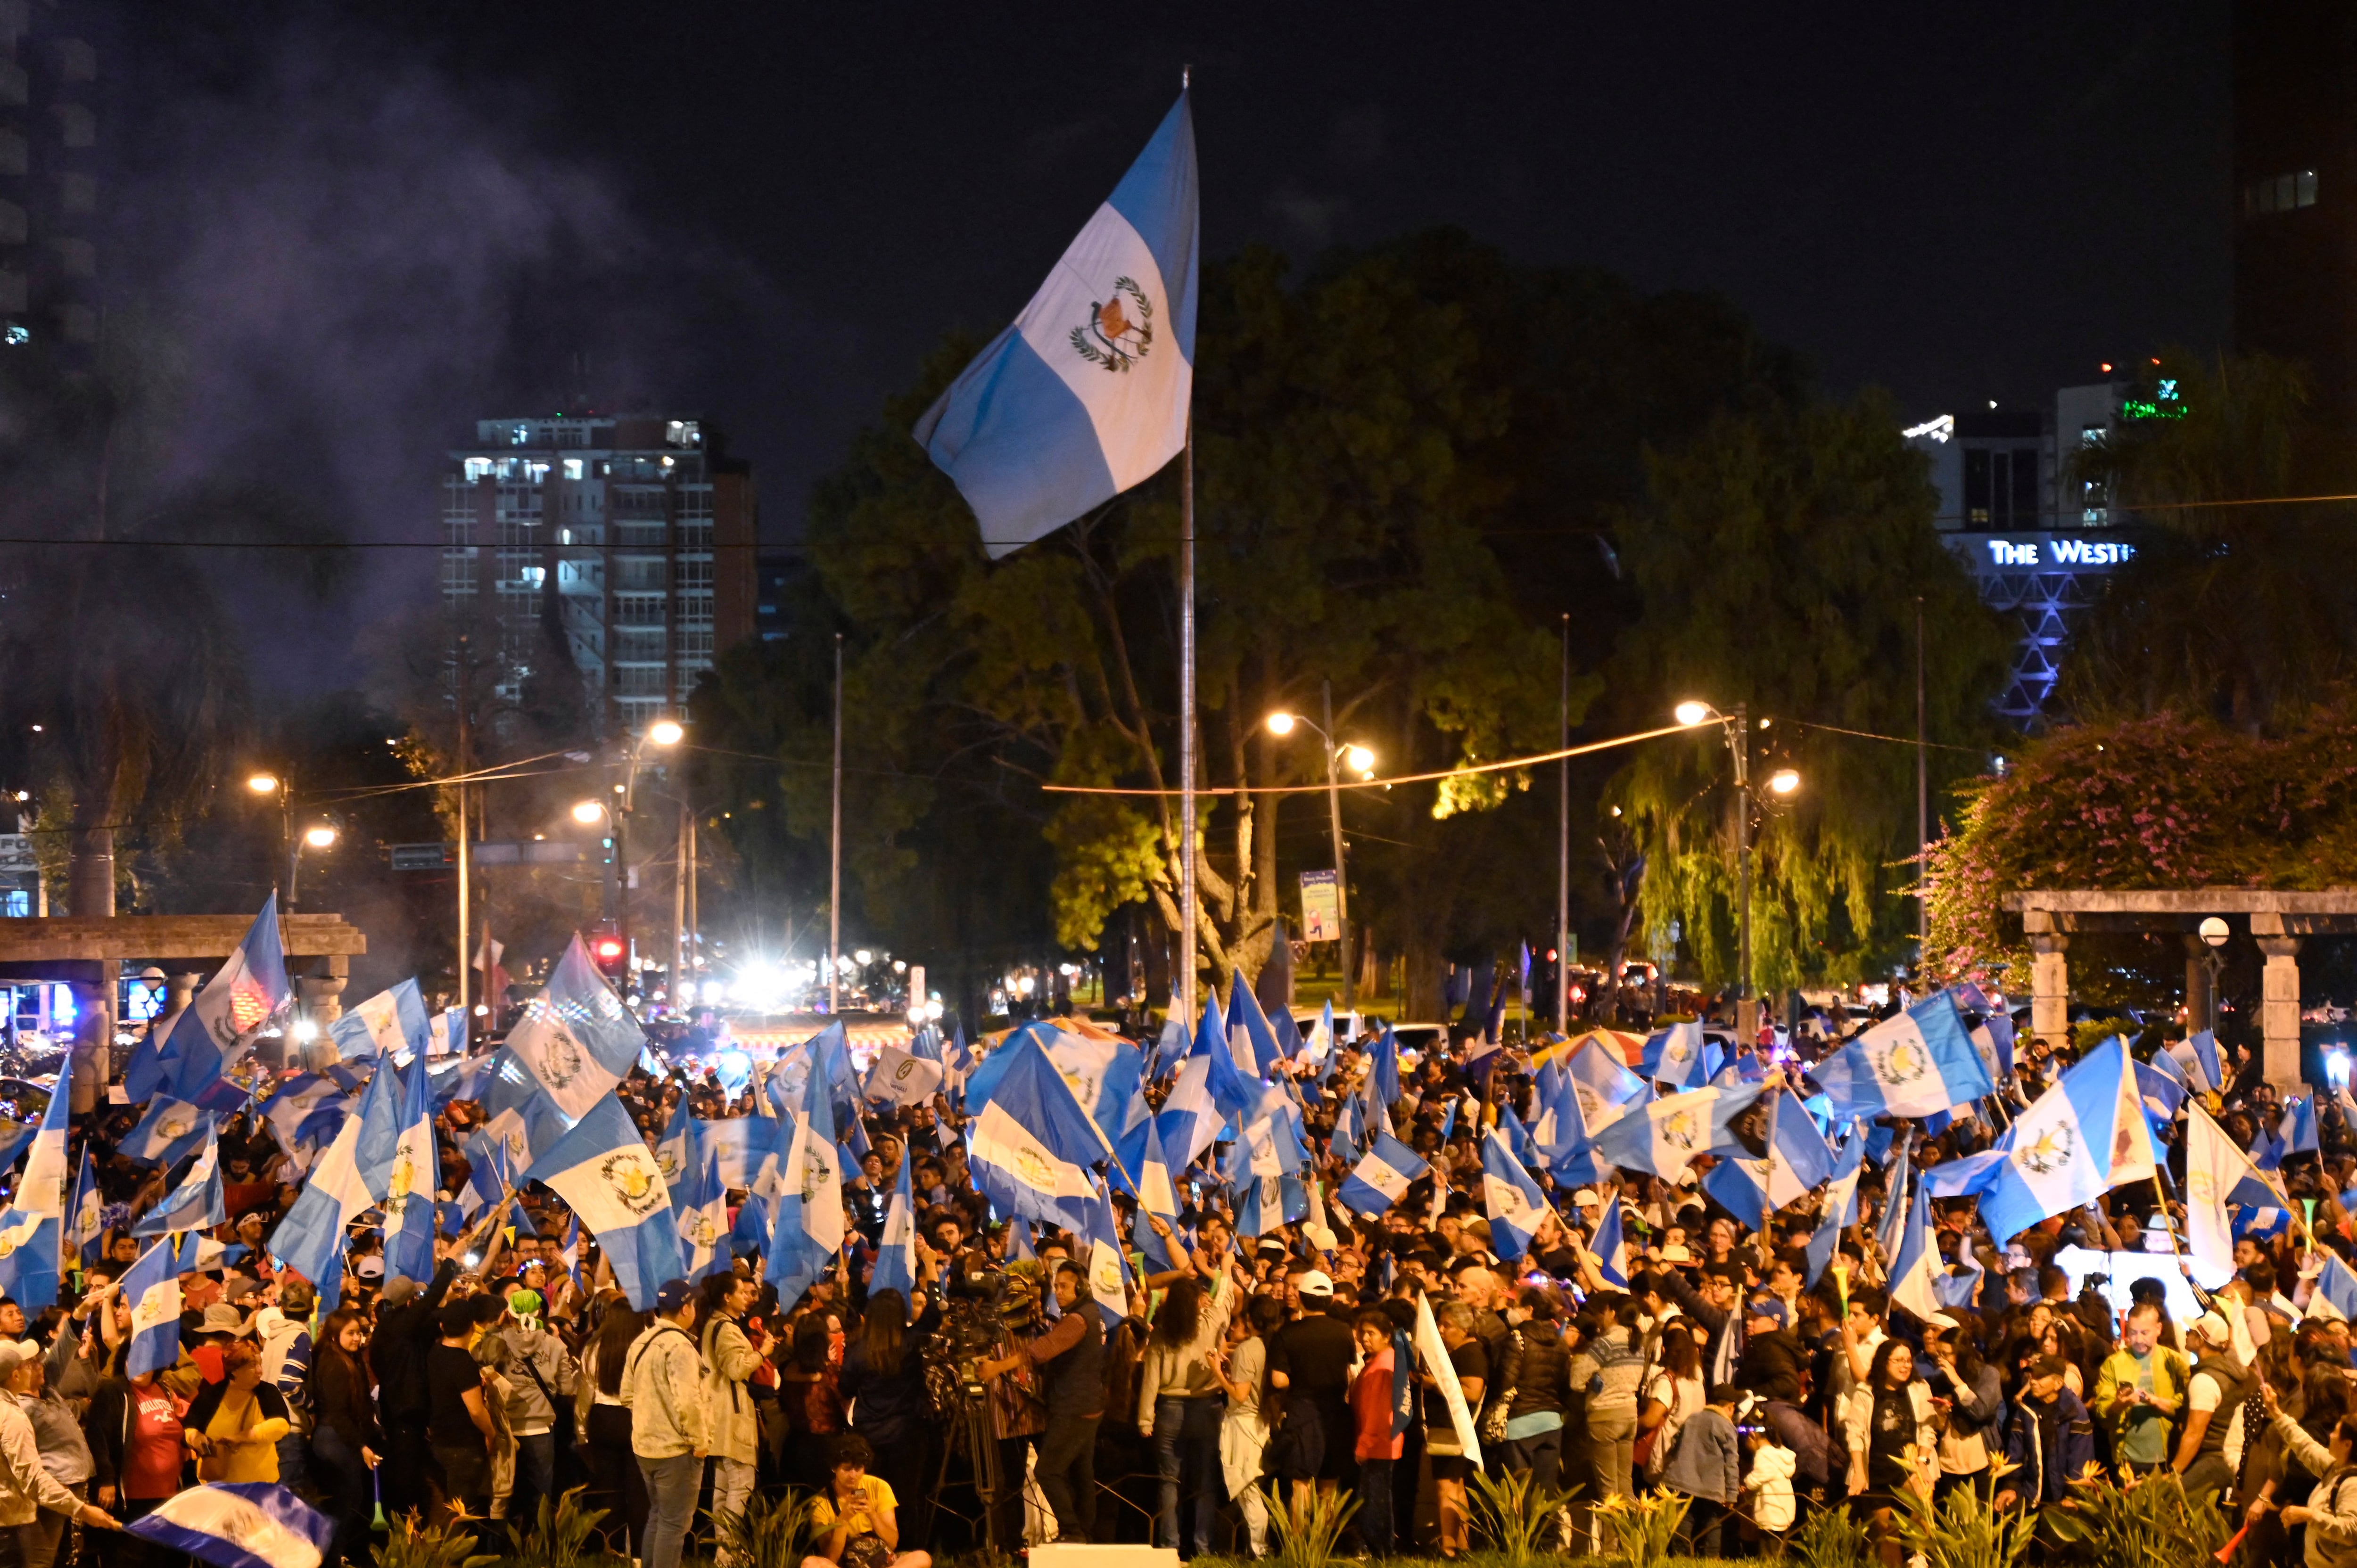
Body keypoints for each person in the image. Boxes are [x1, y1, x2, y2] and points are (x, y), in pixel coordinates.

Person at [977, 1260, 1103, 1544]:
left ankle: (1071, 1531)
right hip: (1087, 1406)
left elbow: (1040, 1351)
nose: (1058, 1292)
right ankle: (1085, 1533)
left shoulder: (1078, 1319)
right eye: (1056, 1286)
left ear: (1082, 1287)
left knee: (1048, 1471)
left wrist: (997, 1368)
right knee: (1082, 1473)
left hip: (1074, 1407)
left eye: (1065, 1286)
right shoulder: (1089, 1313)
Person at [1134, 1272, 1229, 1559]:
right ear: (1198, 1302)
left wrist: (1145, 1419)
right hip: (1207, 1407)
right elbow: (1226, 1294)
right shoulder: (1210, 1323)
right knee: (1205, 1482)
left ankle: (1170, 1547)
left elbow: (1151, 1379)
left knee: (1169, 1481)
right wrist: (1221, 1268)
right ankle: (1204, 1548)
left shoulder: (1162, 1333)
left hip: (1169, 1410)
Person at [622, 1280, 708, 1568]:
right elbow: (689, 1401)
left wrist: (652, 1416)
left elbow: (626, 1395)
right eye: (693, 1305)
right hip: (675, 1450)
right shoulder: (680, 1346)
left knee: (658, 1516)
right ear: (685, 1309)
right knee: (675, 1525)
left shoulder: (641, 1341)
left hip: (645, 1447)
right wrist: (699, 1442)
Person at [839, 1289, 932, 1539]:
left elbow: (845, 1388)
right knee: (906, 1497)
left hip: (868, 1436)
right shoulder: (911, 1345)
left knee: (865, 1495)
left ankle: (866, 1547)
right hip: (907, 1433)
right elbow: (934, 1317)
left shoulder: (858, 1349)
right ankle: (909, 1550)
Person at [1265, 1270, 1357, 1508]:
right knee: (1329, 1484)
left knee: (1301, 1483)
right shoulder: (1344, 1331)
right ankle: (1324, 1542)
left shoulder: (1287, 1334)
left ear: (1302, 1299)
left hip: (1302, 1415)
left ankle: (1300, 1543)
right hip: (1336, 1413)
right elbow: (1350, 1369)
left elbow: (1279, 1381)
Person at [1844, 1339, 1937, 1568]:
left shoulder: (1919, 1388)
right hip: (1878, 1469)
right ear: (1884, 1363)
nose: (1905, 1366)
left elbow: (1928, 1428)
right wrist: (1858, 1472)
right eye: (1898, 1361)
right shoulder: (1865, 1392)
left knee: (1921, 1515)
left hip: (1911, 1467)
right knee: (1887, 1531)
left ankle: (1919, 1558)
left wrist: (1923, 1461)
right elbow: (1855, 1434)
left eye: (1908, 1361)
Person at [1211, 1294, 1284, 1559]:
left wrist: (1217, 1372)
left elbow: (1240, 1396)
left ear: (1251, 1320)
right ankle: (1259, 1547)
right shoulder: (1272, 1345)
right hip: (1262, 1422)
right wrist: (1232, 1371)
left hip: (1244, 1423)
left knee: (1248, 1491)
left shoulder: (1248, 1348)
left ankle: (1259, 1549)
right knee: (1253, 1491)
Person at [308, 1308, 382, 1568]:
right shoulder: (334, 1365)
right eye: (350, 1333)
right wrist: (361, 1446)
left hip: (342, 1437)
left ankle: (335, 1555)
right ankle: (332, 1558)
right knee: (345, 1503)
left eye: (359, 1333)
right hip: (335, 1439)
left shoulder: (347, 1359)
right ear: (333, 1336)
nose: (356, 1338)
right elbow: (338, 1414)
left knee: (349, 1501)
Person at [698, 1271, 761, 1566]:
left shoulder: (716, 1325)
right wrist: (763, 1353)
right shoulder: (725, 1328)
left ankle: (723, 1552)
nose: (747, 1296)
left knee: (725, 1486)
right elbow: (737, 1369)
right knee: (741, 1483)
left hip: (721, 1415)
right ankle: (729, 1551)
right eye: (741, 1292)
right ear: (727, 1297)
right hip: (731, 1416)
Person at [580, 1295, 649, 1562]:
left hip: (602, 1419)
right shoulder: (643, 1346)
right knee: (638, 1491)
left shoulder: (594, 1346)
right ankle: (640, 1554)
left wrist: (582, 1434)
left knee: (609, 1492)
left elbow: (584, 1395)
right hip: (635, 1418)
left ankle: (613, 1551)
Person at [800, 1431, 931, 1568]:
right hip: (848, 1564)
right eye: (847, 1469)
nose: (853, 1475)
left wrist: (872, 1515)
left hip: (884, 1561)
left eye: (858, 1469)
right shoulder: (821, 1502)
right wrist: (843, 1520)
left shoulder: (878, 1487)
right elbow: (831, 1558)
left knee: (922, 1557)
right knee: (810, 1563)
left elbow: (892, 1543)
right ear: (834, 1468)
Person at [1423, 1298, 1488, 1562]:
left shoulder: (1470, 1353)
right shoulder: (1462, 1352)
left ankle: (1448, 1548)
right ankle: (1463, 1545)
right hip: (1450, 1429)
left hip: (1454, 1430)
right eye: (1439, 1324)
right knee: (1457, 1488)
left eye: (1447, 1325)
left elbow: (1472, 1392)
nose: (1440, 1330)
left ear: (1464, 1329)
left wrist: (1433, 1383)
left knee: (1446, 1489)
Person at [2093, 1300, 2187, 1478]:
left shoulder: (2174, 1361)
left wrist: (2154, 1401)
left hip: (2167, 1456)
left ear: (2159, 1329)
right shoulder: (2114, 1364)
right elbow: (2102, 1411)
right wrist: (2119, 1404)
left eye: (2145, 1333)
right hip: (2128, 1458)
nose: (2138, 1340)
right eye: (2133, 1333)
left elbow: (2186, 1406)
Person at [425, 1298, 497, 1524]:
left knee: (446, 1506)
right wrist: (491, 1433)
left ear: (442, 1327)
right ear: (472, 1326)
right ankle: (455, 1557)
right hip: (463, 1445)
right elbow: (476, 1410)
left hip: (439, 1441)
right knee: (462, 1513)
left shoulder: (434, 1353)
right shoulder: (464, 1363)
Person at [2175, 1310, 2257, 1500]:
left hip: (2213, 1460)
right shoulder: (2234, 1369)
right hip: (2232, 1458)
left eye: (2191, 1332)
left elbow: (2195, 1434)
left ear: (2201, 1341)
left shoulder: (2205, 1380)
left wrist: (2174, 1472)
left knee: (2172, 1499)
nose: (2187, 1334)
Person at [184, 1341, 292, 1484]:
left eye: (260, 1364)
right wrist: (195, 1438)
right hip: (218, 1487)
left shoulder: (267, 1392)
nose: (260, 1370)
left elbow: (281, 1425)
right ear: (234, 1370)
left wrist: (243, 1437)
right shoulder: (211, 1395)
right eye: (252, 1366)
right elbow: (190, 1427)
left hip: (259, 1484)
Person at [1659, 1384, 1740, 1558]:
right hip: (1711, 1486)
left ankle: (1681, 1558)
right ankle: (1711, 1559)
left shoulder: (1692, 1418)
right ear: (1731, 1407)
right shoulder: (1727, 1427)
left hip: (1683, 1481)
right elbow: (1731, 1462)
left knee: (1685, 1519)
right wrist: (1732, 1493)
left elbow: (1674, 1444)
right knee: (1713, 1522)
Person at [1349, 1311, 1403, 1560]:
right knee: (1372, 1496)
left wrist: (1364, 1445)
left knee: (1376, 1500)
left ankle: (1379, 1550)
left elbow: (1379, 1412)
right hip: (1377, 1442)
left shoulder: (1384, 1366)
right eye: (1363, 1333)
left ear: (1387, 1336)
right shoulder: (1377, 1361)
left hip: (1378, 1443)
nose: (1365, 1338)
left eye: (1371, 1333)